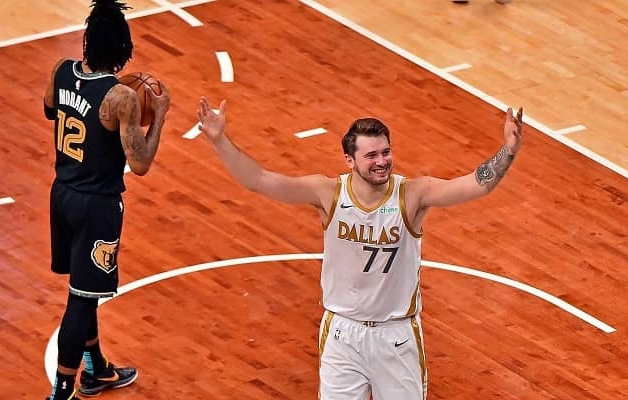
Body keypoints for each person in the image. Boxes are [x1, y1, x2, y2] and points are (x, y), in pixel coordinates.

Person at [196, 96, 523, 399]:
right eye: (371, 155)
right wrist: (219, 140)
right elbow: (259, 180)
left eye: (385, 152)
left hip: (395, 336)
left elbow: (476, 184)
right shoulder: (328, 193)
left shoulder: (412, 194)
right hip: (343, 333)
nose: (382, 161)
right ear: (349, 160)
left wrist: (508, 149)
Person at [42, 1, 170, 399]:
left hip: (62, 195)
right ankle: (63, 389)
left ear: (87, 41)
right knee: (80, 300)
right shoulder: (120, 98)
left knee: (85, 289)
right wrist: (159, 116)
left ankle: (96, 368)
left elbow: (49, 109)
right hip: (96, 206)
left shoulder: (61, 70)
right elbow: (141, 163)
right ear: (123, 49)